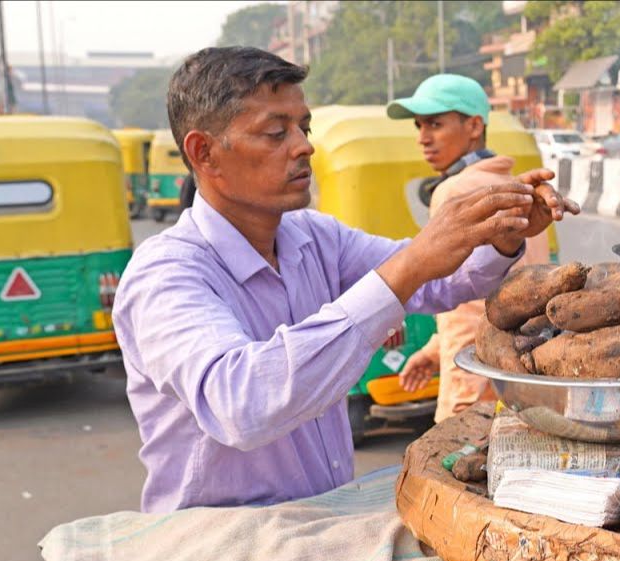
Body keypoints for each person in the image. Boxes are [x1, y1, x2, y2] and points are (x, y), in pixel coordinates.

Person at [112, 48, 576, 512]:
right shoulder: (166, 273)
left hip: (320, 522)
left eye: (303, 128)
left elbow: (439, 282)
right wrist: (413, 261)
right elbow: (243, 403)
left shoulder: (315, 236)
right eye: (276, 132)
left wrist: (502, 236)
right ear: (204, 152)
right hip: (222, 544)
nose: (303, 146)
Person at [393, 74, 557, 423]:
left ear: (474, 126)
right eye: (419, 125)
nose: (423, 137)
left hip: (474, 374)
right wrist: (434, 349)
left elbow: (466, 301)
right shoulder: (515, 186)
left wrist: (463, 385)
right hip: (520, 369)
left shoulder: (454, 191)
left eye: (435, 124)